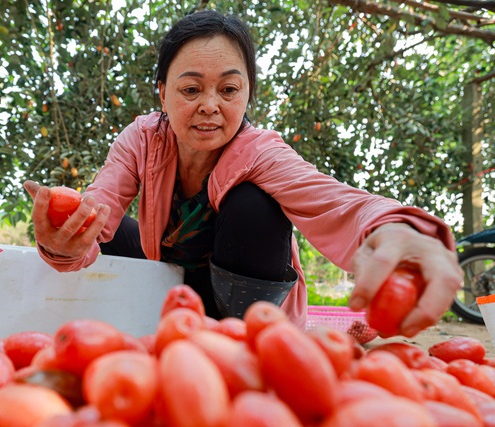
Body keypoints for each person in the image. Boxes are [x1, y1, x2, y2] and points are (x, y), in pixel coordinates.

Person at [24, 9, 462, 336]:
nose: (210, 105)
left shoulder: (261, 152)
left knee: (254, 205)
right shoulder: (142, 138)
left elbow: (339, 202)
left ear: (247, 93)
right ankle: (167, 321)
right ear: (162, 93)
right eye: (191, 89)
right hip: (174, 283)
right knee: (114, 230)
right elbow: (98, 208)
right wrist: (66, 237)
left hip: (239, 301)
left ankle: (244, 341)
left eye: (229, 89)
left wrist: (400, 230)